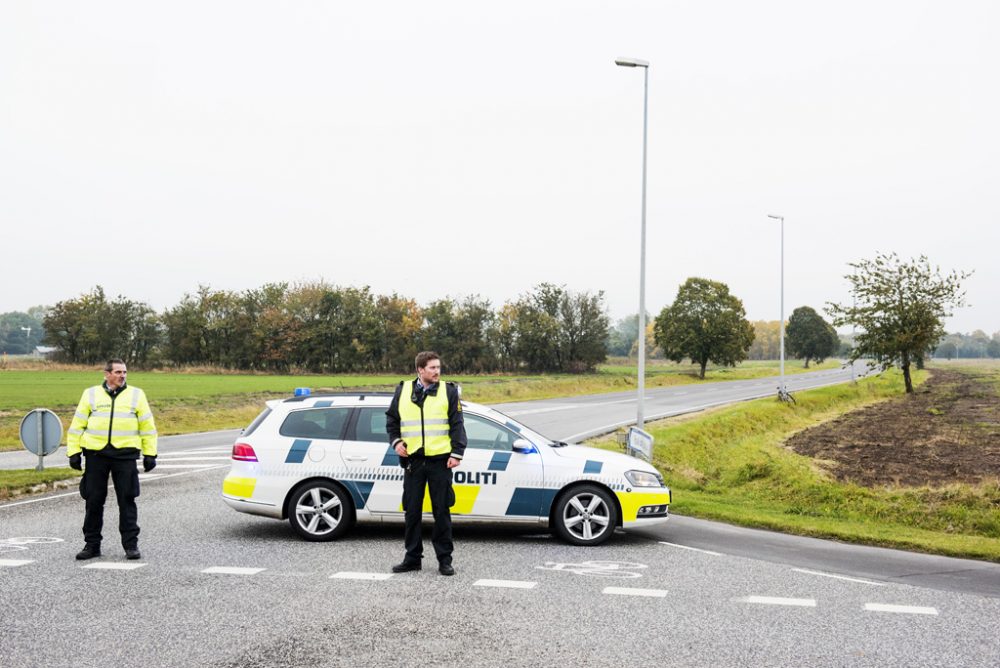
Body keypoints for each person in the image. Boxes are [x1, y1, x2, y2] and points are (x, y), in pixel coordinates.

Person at [385, 351, 467, 576]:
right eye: (432, 368)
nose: (437, 371)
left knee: (442, 511)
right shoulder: (402, 391)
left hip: (440, 461)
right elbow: (392, 420)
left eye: (438, 367)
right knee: (412, 511)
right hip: (413, 461)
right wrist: (396, 442)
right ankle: (412, 558)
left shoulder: (448, 391)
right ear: (420, 370)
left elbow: (457, 424)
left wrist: (457, 452)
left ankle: (444, 559)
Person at [67, 359, 158, 560]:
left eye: (124, 372)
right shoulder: (90, 394)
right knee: (93, 501)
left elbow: (147, 426)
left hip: (124, 456)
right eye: (118, 372)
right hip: (96, 455)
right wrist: (73, 452)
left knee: (127, 500)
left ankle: (131, 545)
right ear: (107, 374)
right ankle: (92, 545)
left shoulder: (136, 395)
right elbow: (77, 425)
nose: (122, 375)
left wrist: (150, 453)